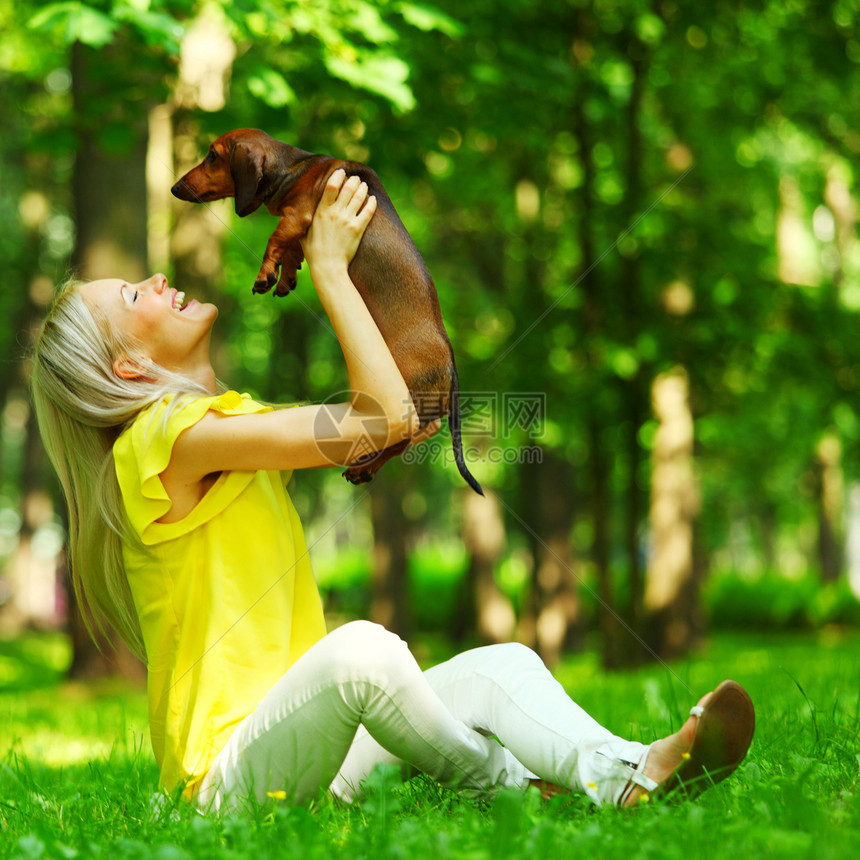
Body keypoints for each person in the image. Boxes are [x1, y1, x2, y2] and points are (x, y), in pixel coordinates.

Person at [31, 169, 755, 814]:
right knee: (361, 653)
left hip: (314, 754)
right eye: (132, 295)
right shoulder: (160, 443)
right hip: (225, 785)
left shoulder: (222, 423)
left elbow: (389, 422)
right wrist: (331, 271)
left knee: (499, 666)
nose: (156, 281)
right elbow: (378, 420)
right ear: (127, 367)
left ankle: (632, 771)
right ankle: (542, 790)